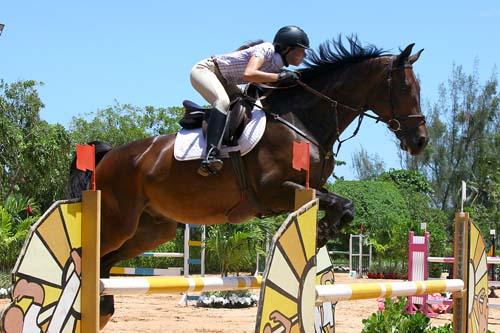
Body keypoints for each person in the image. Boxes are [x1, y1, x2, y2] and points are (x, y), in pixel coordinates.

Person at [190, 25, 310, 176]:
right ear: (287, 49)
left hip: (226, 81)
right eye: (301, 49)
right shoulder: (267, 49)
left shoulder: (276, 67)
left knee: (244, 107)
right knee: (222, 102)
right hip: (206, 70)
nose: (304, 54)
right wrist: (280, 77)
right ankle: (210, 155)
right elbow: (249, 74)